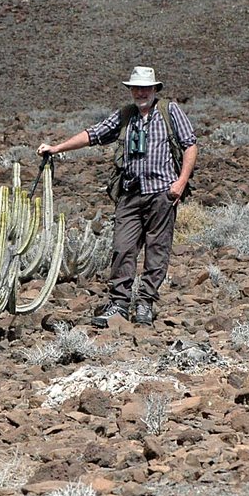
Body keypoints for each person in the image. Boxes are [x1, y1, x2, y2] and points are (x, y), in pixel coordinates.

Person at [38, 66, 198, 326]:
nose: (140, 92)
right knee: (123, 248)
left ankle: (146, 302)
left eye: (145, 88)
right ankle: (119, 304)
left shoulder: (170, 111)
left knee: (157, 249)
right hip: (130, 192)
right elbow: (94, 134)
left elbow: (190, 144)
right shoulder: (126, 115)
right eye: (136, 88)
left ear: (154, 89)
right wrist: (57, 148)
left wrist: (180, 182)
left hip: (162, 192)